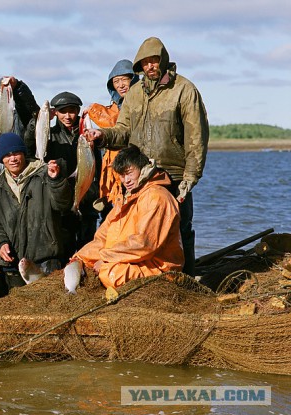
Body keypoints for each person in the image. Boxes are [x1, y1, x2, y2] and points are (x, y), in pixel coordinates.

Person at [85, 37, 209, 276]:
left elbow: (197, 138)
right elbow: (123, 131)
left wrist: (189, 180)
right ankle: (151, 277)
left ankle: (187, 279)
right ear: (139, 67)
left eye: (154, 61)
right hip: (138, 173)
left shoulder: (184, 89)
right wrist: (101, 135)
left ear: (162, 61)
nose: (150, 66)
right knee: (138, 231)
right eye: (145, 62)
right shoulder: (134, 94)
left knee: (180, 228)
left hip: (172, 174)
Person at [72, 145, 184, 288]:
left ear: (143, 169)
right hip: (130, 260)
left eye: (129, 173)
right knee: (81, 265)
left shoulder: (157, 197)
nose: (126, 180)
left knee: (108, 273)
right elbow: (102, 238)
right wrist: (80, 257)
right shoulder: (126, 198)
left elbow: (144, 244)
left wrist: (105, 259)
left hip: (158, 268)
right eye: (122, 175)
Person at [0, 133, 72, 289]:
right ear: (1, 159)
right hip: (12, 263)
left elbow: (63, 205)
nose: (13, 159)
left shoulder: (44, 174)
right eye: (7, 155)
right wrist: (0, 244)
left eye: (16, 153)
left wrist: (56, 181)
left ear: (23, 153)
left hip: (46, 259)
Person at [24, 91, 102, 262]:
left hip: (87, 202)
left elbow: (98, 169)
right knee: (63, 252)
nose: (68, 116)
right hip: (60, 204)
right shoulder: (49, 135)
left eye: (72, 110)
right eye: (63, 111)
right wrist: (37, 121)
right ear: (55, 113)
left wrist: (96, 194)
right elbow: (29, 147)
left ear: (78, 111)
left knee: (87, 251)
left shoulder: (88, 136)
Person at [82, 59, 139, 217]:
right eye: (116, 81)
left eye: (124, 80)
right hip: (111, 170)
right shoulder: (114, 106)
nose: (120, 85)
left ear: (133, 79)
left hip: (133, 167)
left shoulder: (141, 104)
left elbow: (114, 123)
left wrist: (93, 109)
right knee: (110, 215)